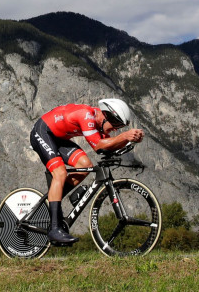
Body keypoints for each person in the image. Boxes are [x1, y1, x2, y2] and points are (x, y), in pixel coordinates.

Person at [30, 98, 144, 245]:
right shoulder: (86, 116)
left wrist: (131, 140)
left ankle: (54, 202)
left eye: (119, 127)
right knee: (60, 173)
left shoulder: (98, 123)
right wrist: (124, 136)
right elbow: (99, 146)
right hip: (42, 132)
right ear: (107, 116)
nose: (115, 130)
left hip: (58, 139)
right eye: (116, 125)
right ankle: (54, 229)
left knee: (85, 165)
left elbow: (108, 147)